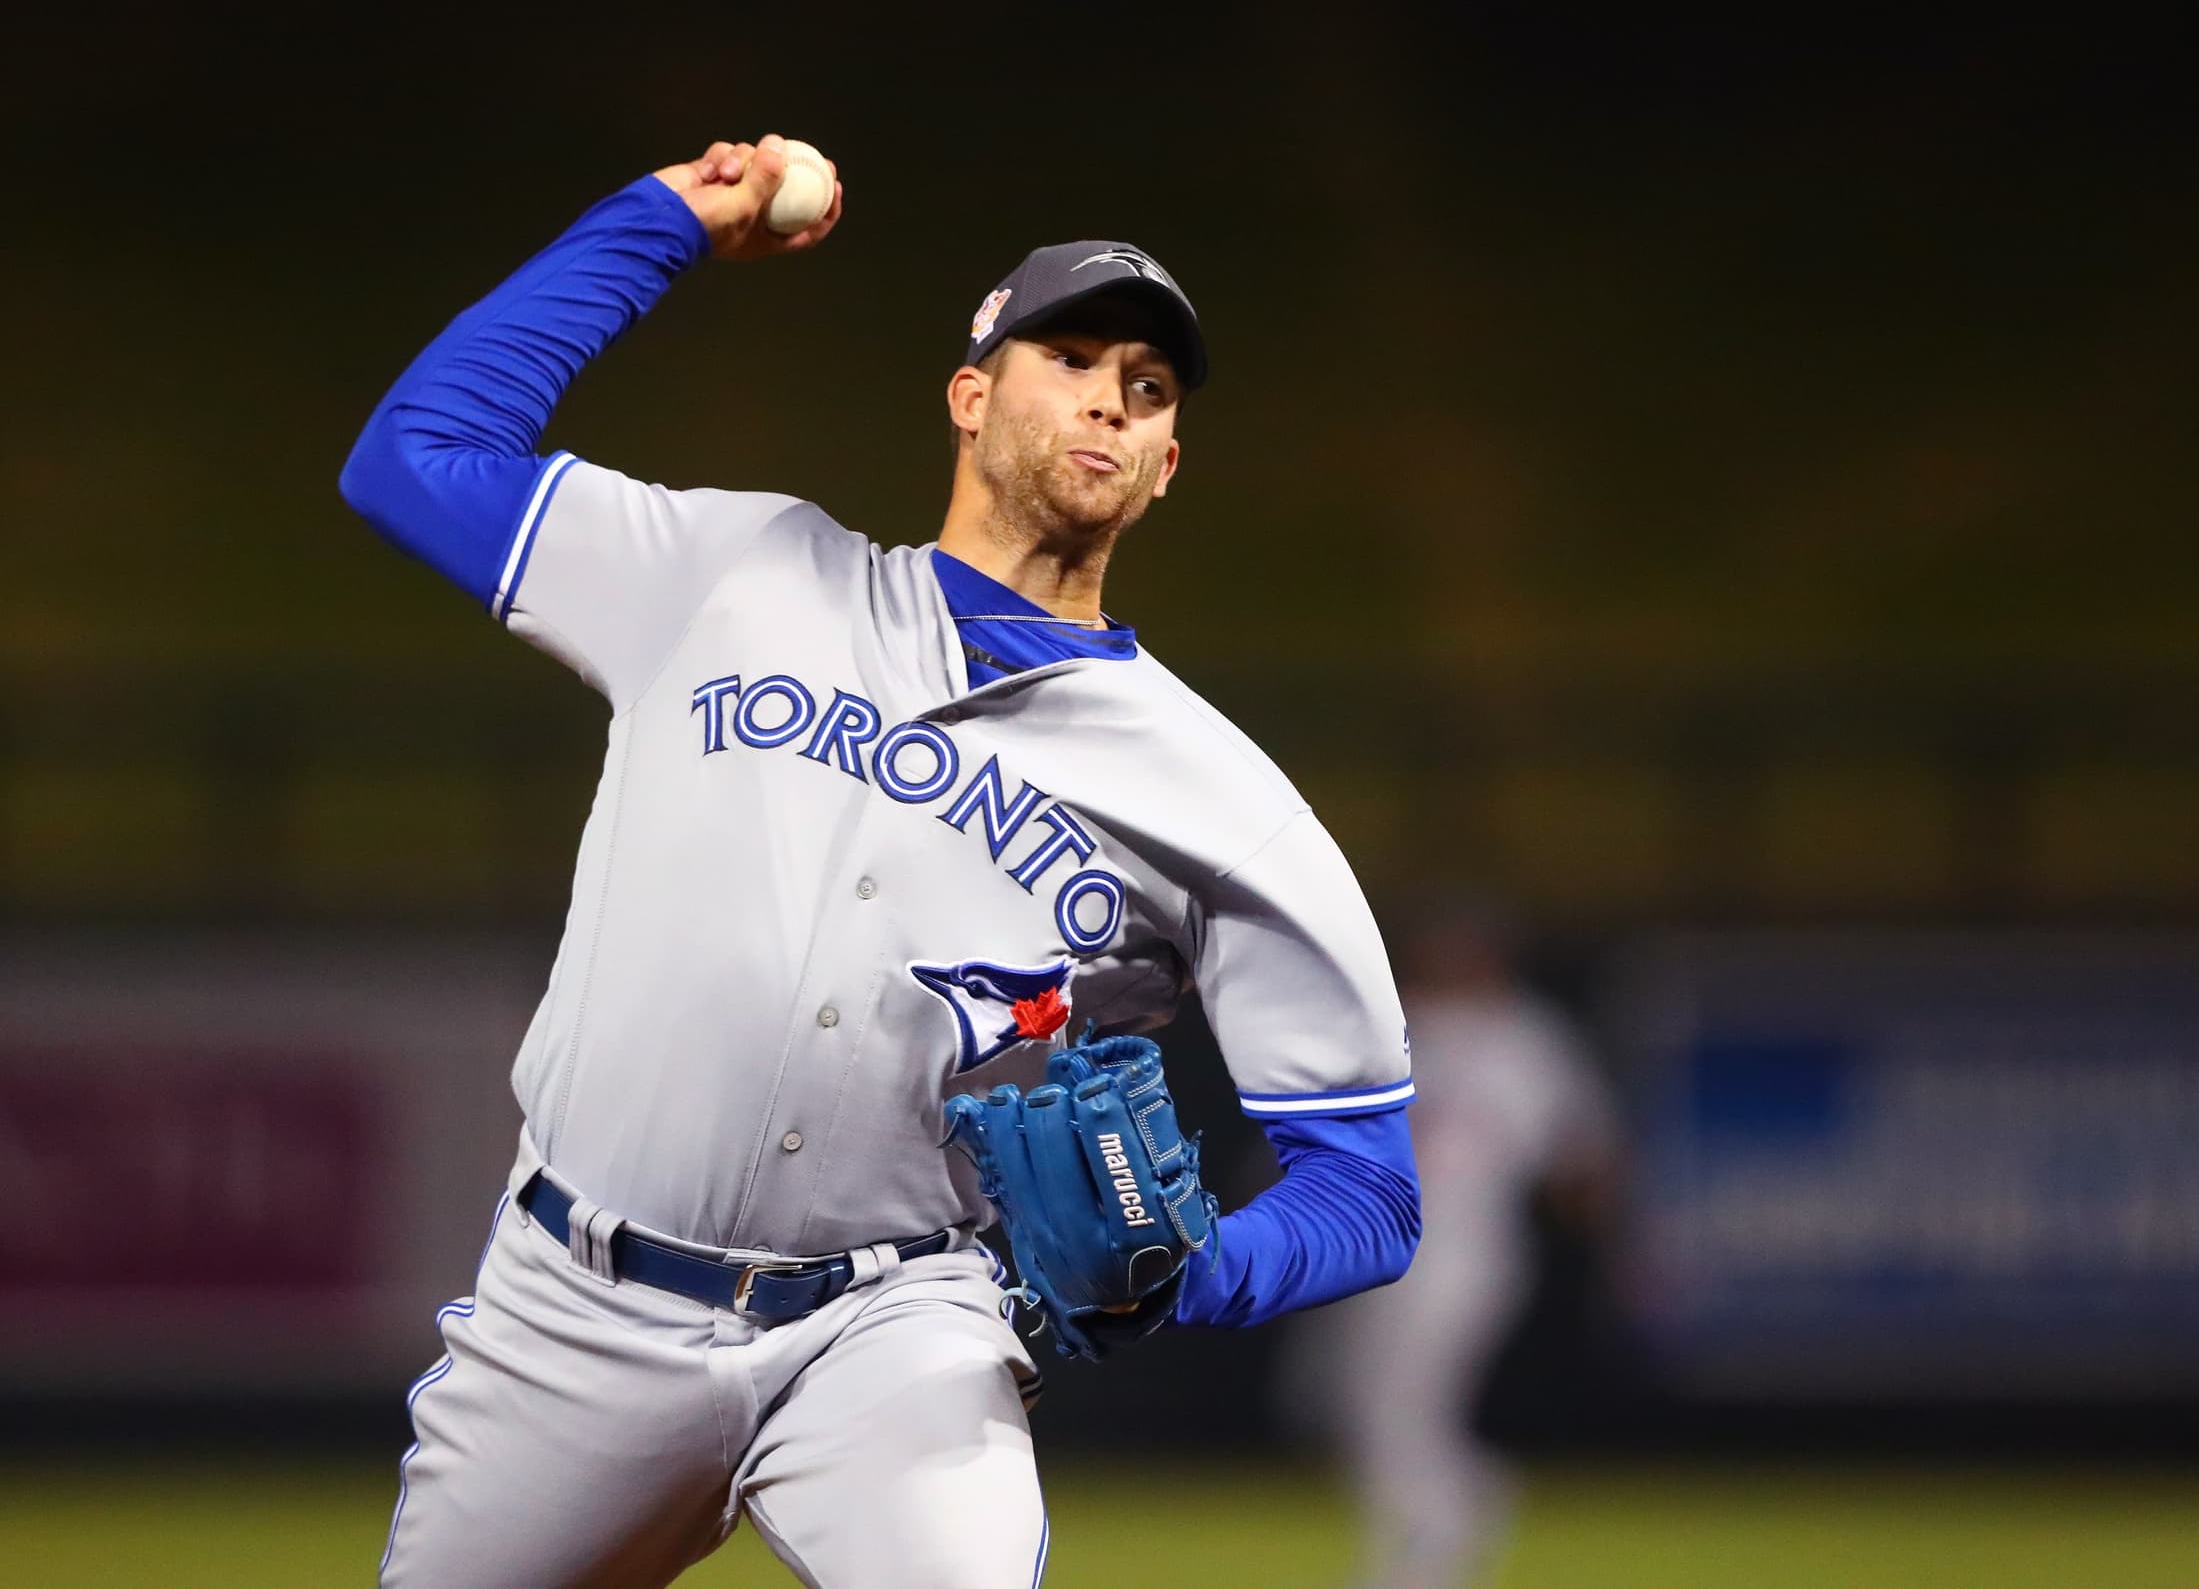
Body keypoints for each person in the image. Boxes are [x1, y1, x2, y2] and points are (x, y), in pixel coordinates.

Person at [338, 135, 1421, 1589]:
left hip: (898, 1332)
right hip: (573, 1311)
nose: (1110, 393)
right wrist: (656, 223)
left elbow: (1366, 1186)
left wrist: (1192, 1268)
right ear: (969, 397)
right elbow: (416, 458)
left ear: (1167, 466)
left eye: (1146, 388)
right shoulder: (731, 573)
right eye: (1073, 356)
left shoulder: (1222, 799)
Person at [1276, 904, 1622, 1589]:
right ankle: (1468, 1495)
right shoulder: (1393, 1025)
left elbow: (1583, 1158)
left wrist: (1609, 1235)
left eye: (1463, 947)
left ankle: (1424, 1557)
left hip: (1463, 1253)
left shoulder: (1525, 1039)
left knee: (1398, 1411)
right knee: (1338, 1404)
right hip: (1368, 1250)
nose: (1448, 960)